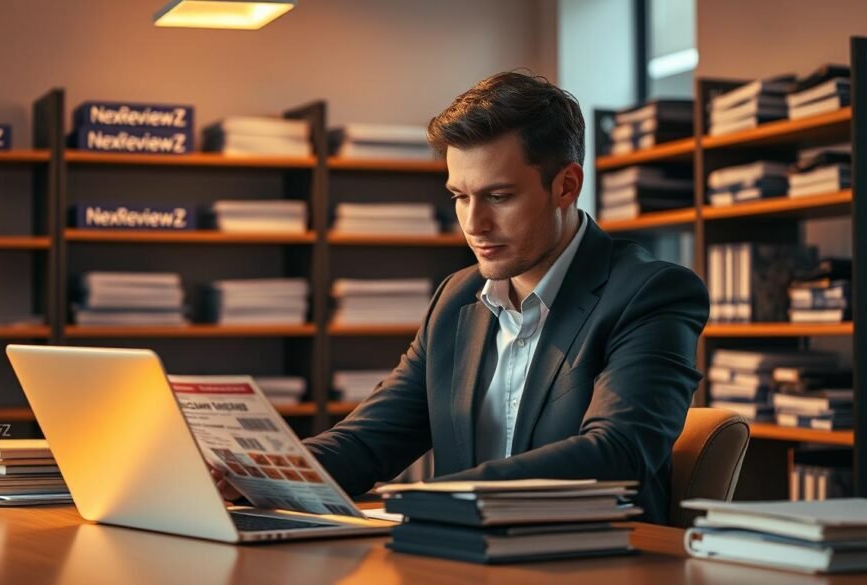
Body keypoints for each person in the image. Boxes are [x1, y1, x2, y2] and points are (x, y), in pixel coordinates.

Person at [215, 71, 709, 525]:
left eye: (498, 197)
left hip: (593, 560)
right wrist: (255, 474)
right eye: (460, 197)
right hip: (460, 558)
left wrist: (437, 495)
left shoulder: (650, 293)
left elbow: (618, 452)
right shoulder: (457, 298)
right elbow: (371, 438)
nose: (474, 225)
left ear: (566, 186)